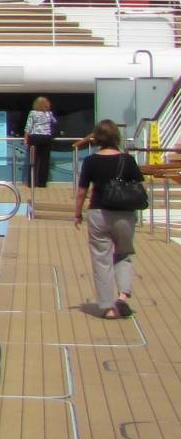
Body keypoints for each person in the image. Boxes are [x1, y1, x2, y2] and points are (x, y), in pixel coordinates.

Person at [74, 119, 143, 319]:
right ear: (116, 137)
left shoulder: (91, 161)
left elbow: (81, 192)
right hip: (124, 213)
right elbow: (138, 185)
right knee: (123, 253)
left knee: (101, 259)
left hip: (98, 212)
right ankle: (122, 296)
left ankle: (108, 307)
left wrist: (77, 214)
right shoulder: (127, 160)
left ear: (97, 138)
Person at [24, 97, 58, 191]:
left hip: (35, 138)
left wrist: (26, 137)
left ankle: (31, 183)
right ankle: (42, 183)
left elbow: (29, 126)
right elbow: (55, 122)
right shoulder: (49, 113)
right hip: (47, 138)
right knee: (45, 161)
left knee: (33, 160)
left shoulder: (33, 113)